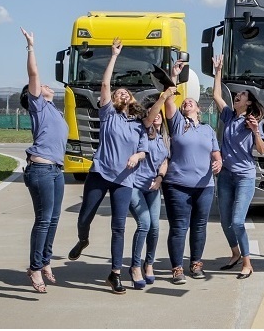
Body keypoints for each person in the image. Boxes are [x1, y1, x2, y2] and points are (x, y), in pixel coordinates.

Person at [68, 37, 149, 294]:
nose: (120, 93)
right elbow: (105, 83)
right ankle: (83, 239)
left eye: (125, 92)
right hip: (101, 172)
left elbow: (144, 150)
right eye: (117, 93)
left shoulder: (138, 123)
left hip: (124, 179)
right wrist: (114, 56)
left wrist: (137, 157)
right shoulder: (108, 114)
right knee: (85, 216)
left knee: (119, 226)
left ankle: (115, 273)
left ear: (132, 98)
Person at [162, 60, 223, 284]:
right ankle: (177, 268)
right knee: (179, 227)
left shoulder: (208, 130)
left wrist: (218, 163)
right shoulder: (177, 123)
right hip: (178, 185)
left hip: (205, 186)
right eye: (185, 102)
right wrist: (174, 76)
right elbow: (169, 100)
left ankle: (196, 263)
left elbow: (216, 154)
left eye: (191, 102)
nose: (187, 103)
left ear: (199, 108)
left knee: (199, 226)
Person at [19, 27, 67, 294]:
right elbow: (34, 74)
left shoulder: (54, 111)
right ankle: (35, 268)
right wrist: (31, 46)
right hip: (40, 169)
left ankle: (45, 261)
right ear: (32, 95)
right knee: (44, 219)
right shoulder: (38, 105)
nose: (46, 85)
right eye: (40, 87)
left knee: (54, 218)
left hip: (56, 171)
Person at [211, 55, 264, 279]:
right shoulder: (229, 115)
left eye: (241, 95)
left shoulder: (252, 122)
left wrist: (254, 131)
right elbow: (216, 95)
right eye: (237, 95)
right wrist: (218, 71)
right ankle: (234, 252)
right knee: (225, 221)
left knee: (236, 220)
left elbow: (262, 150)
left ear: (249, 102)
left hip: (244, 176)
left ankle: (247, 262)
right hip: (225, 175)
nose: (237, 96)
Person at [127, 87, 173, 289]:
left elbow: (164, 161)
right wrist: (163, 97)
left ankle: (149, 264)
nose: (156, 118)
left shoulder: (164, 139)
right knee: (144, 223)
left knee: (155, 227)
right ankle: (135, 266)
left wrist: (160, 178)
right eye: (153, 114)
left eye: (158, 116)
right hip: (135, 186)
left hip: (153, 187)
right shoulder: (141, 131)